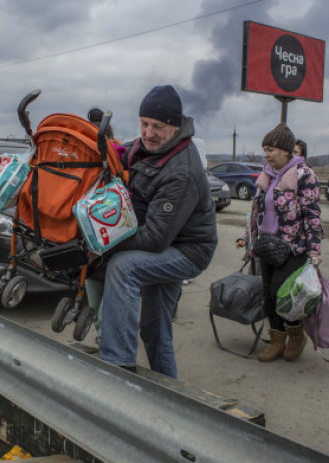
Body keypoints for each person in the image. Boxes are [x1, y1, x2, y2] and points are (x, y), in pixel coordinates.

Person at [98, 85, 217, 378]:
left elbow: (153, 238)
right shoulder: (146, 147)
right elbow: (119, 157)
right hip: (168, 243)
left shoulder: (182, 171)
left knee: (122, 267)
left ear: (176, 127)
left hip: (187, 251)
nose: (148, 132)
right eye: (144, 124)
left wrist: (105, 243)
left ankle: (119, 366)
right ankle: (168, 390)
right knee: (154, 327)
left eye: (158, 127)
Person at [247, 122, 323, 362]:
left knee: (285, 296)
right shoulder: (267, 174)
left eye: (271, 149)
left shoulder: (304, 175)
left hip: (292, 247)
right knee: (268, 296)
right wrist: (252, 241)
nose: (267, 154)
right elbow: (257, 211)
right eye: (265, 150)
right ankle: (278, 341)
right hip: (267, 246)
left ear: (287, 151)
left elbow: (312, 214)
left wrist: (315, 249)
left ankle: (297, 335)